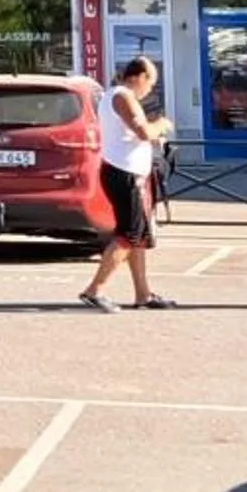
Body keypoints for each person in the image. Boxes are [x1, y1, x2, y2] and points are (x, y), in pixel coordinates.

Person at [77, 57, 172, 310]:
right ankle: (94, 289)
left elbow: (133, 135)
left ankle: (143, 294)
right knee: (129, 235)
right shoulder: (123, 96)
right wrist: (161, 125)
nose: (150, 89)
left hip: (128, 171)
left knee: (138, 236)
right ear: (138, 77)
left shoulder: (115, 96)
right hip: (125, 174)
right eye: (150, 82)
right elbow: (144, 132)